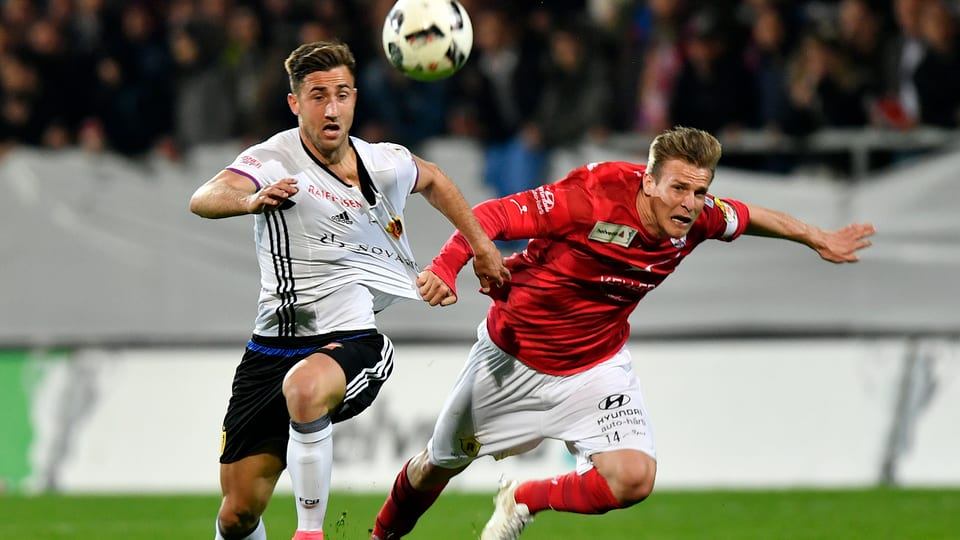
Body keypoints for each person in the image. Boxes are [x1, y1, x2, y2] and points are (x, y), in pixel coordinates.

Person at [368, 126, 876, 540]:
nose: (691, 203)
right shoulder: (592, 197)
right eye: (679, 188)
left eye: (700, 191)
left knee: (634, 479)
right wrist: (447, 264)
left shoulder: (697, 217)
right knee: (434, 467)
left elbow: (749, 215)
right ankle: (380, 536)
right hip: (513, 359)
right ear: (649, 182)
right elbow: (492, 214)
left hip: (594, 368)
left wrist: (816, 237)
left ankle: (523, 498)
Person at [188, 40, 510, 540]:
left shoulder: (381, 162)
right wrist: (250, 201)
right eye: (317, 96)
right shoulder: (273, 159)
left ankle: (310, 533)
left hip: (352, 340)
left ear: (356, 98)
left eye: (341, 94)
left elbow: (434, 179)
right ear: (295, 103)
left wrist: (482, 248)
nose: (331, 108)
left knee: (306, 388)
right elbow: (203, 198)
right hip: (269, 348)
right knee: (237, 514)